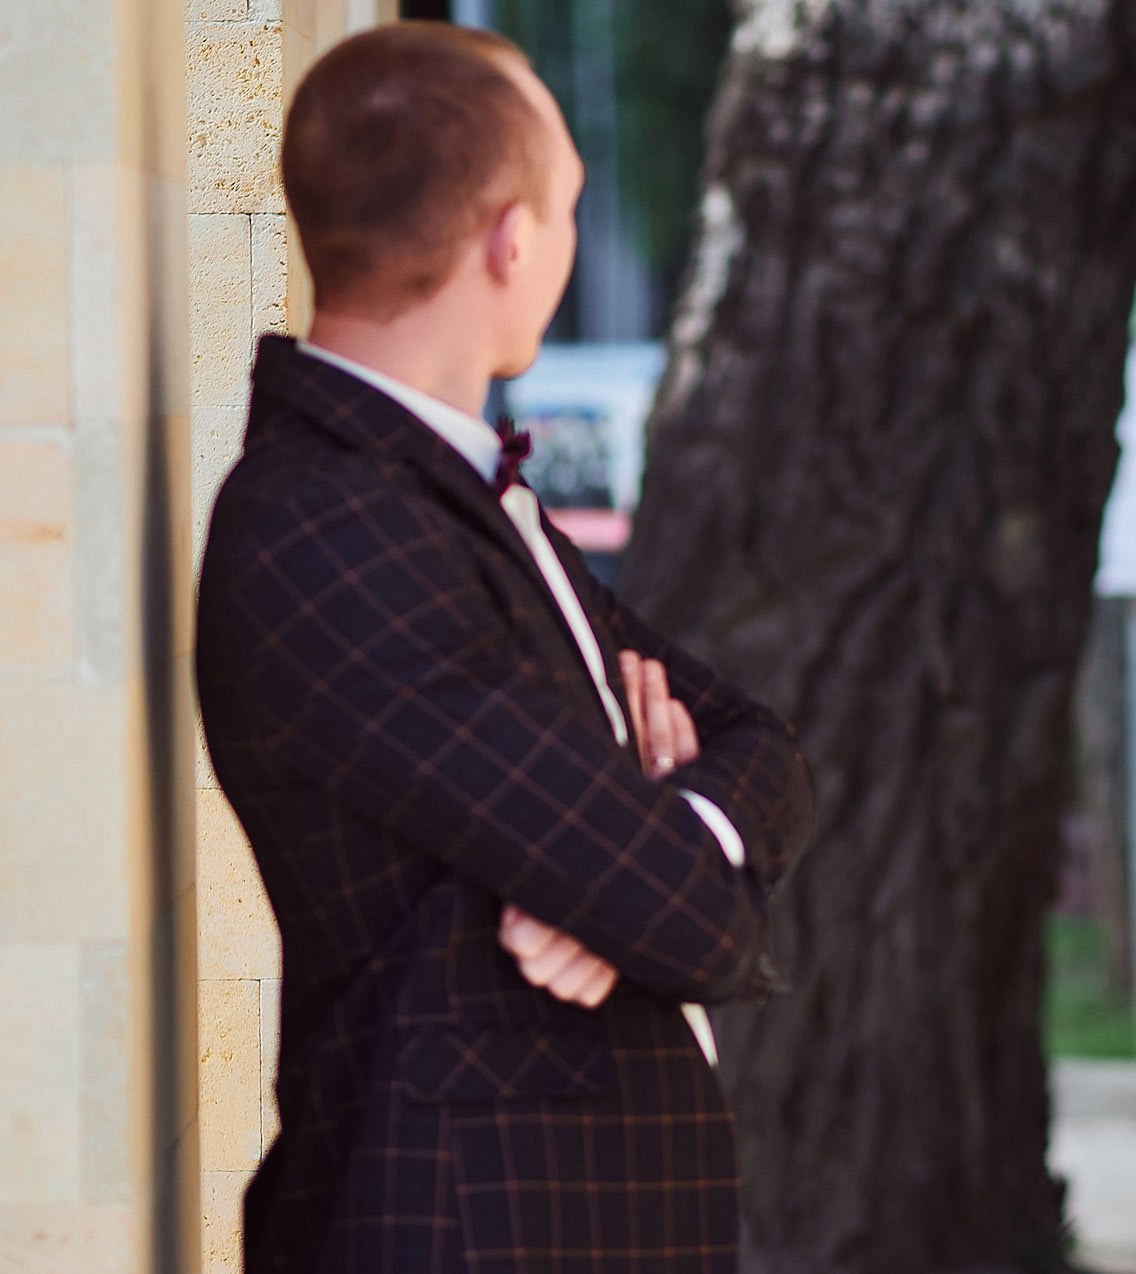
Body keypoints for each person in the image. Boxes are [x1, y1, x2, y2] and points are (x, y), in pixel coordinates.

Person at [194, 23, 812, 1272]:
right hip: (457, 1233)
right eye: (568, 206)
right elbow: (694, 922)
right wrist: (643, 876)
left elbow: (760, 741)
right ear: (510, 239)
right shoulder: (326, 527)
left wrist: (658, 838)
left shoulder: (441, 495)